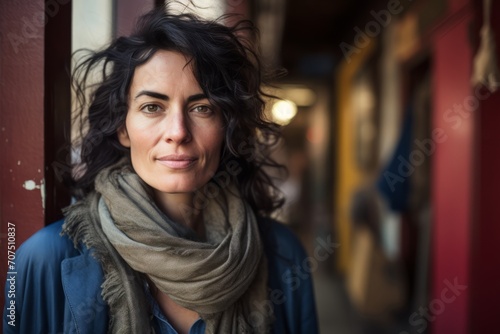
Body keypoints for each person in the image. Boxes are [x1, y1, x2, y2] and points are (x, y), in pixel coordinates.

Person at [3, 5, 318, 334]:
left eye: (202, 107)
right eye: (152, 107)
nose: (178, 132)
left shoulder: (283, 255)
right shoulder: (45, 259)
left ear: (227, 126)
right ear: (123, 128)